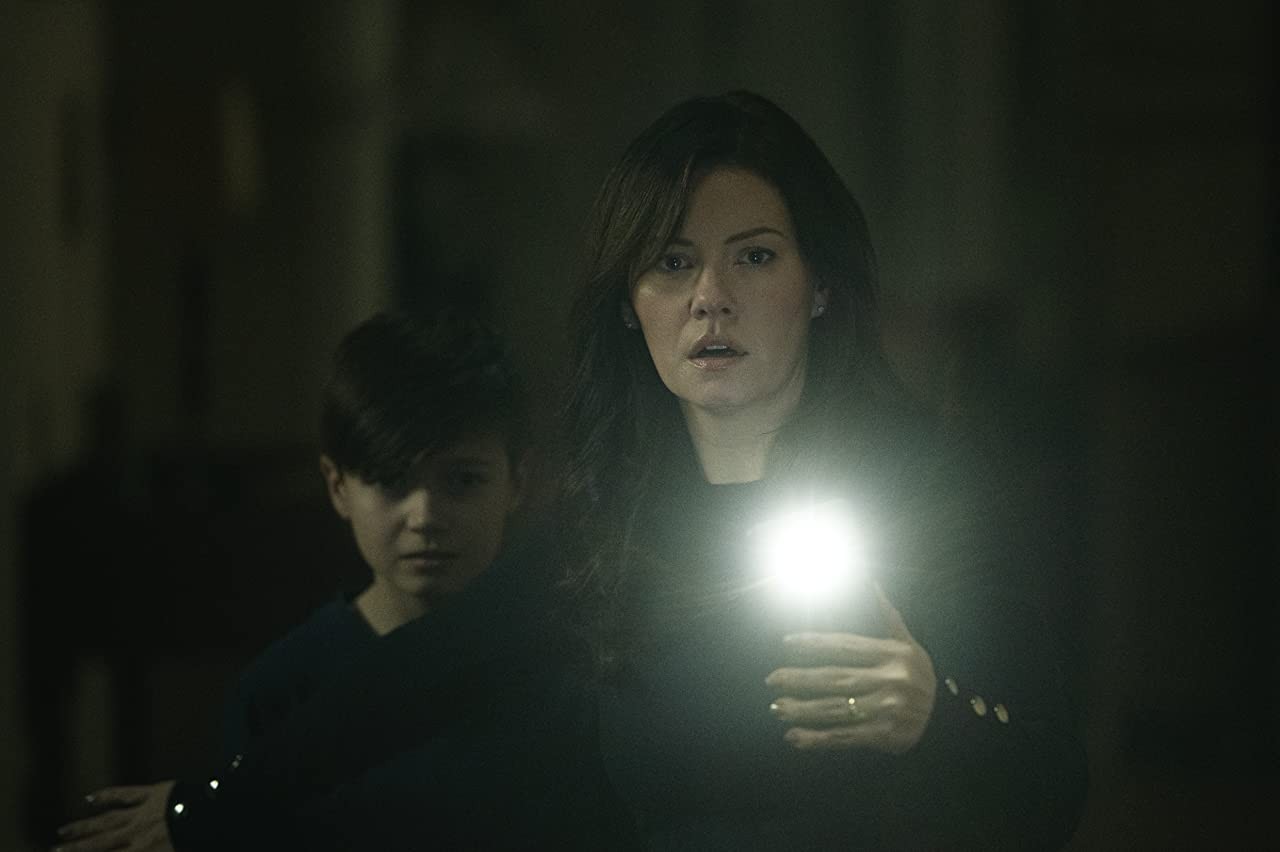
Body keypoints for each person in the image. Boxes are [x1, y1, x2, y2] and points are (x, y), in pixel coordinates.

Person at [554, 90, 1088, 848]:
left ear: (821, 286)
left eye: (755, 257)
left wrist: (929, 720)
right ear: (627, 302)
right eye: (673, 262)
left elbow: (1052, 793)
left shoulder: (925, 494)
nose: (711, 299)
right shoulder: (602, 516)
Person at [53, 309, 531, 851]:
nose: (424, 516)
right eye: (391, 479)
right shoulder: (282, 692)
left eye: (463, 480)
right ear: (338, 486)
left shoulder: (554, 665)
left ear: (516, 482)